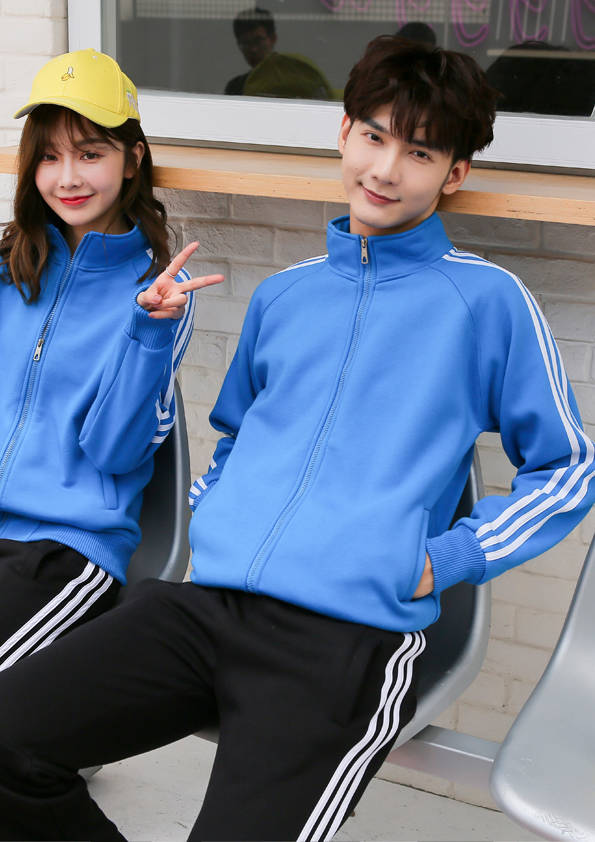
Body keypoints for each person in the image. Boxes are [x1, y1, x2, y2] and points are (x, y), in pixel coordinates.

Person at [0, 35, 593, 842]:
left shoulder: (487, 303)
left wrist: (445, 558)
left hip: (345, 638)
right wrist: (216, 517)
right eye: (374, 137)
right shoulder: (284, 298)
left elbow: (566, 467)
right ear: (343, 133)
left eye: (419, 152)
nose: (385, 169)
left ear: (453, 174)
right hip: (206, 608)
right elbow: (235, 441)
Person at [0, 48, 223, 671]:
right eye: (49, 157)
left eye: (90, 154)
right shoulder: (8, 267)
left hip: (67, 548)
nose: (67, 178)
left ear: (133, 159)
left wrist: (147, 333)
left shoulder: (158, 295)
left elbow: (116, 454)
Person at [224, 6, 277, 95]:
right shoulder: (236, 87)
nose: (253, 49)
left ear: (273, 39)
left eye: (258, 41)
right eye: (246, 43)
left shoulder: (291, 80)